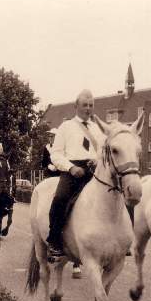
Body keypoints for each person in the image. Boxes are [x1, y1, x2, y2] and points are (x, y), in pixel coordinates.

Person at [46, 89, 105, 260]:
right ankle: (54, 240)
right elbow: (56, 154)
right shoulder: (66, 127)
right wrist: (71, 168)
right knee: (60, 198)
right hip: (72, 170)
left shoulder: (97, 129)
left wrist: (98, 160)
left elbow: (103, 151)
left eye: (91, 105)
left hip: (94, 170)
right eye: (85, 105)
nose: (88, 109)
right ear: (76, 106)